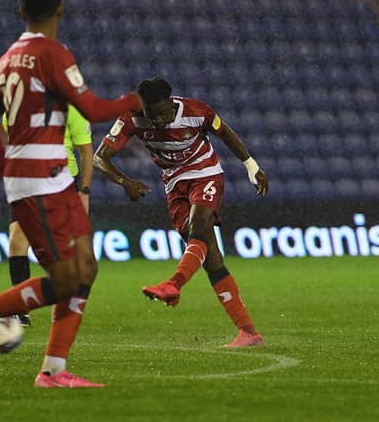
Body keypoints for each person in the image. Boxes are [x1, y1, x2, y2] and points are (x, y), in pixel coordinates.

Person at [0, 0, 142, 387]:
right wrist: (134, 102)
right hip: (39, 179)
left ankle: (53, 370)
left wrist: (5, 167)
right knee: (67, 279)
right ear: (60, 10)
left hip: (48, 178)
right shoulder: (53, 53)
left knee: (85, 268)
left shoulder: (8, 57)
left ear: (21, 12)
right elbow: (92, 106)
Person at [93, 77, 268, 348]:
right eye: (153, 116)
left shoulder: (197, 112)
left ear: (171, 103)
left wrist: (251, 165)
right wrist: (125, 181)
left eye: (163, 114)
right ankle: (248, 333)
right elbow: (100, 158)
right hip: (174, 184)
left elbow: (225, 132)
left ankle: (173, 283)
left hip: (205, 173)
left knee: (199, 225)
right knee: (211, 259)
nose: (158, 121)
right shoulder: (132, 118)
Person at [3, 105, 93, 327]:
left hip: (62, 183)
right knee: (17, 238)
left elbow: (86, 152)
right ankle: (20, 309)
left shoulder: (73, 110)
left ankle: (68, 303)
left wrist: (84, 190)